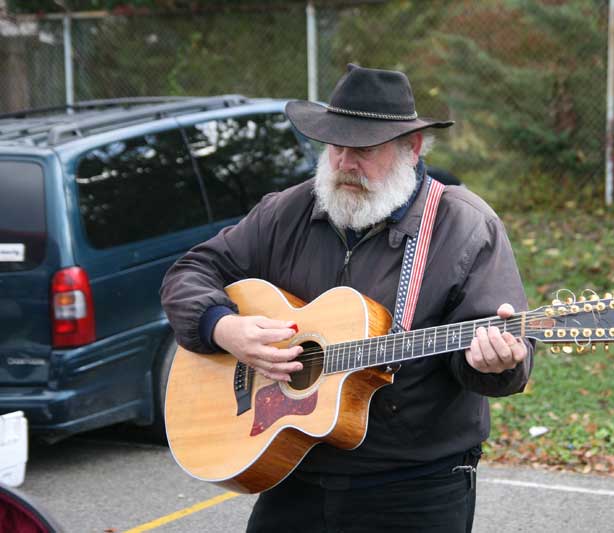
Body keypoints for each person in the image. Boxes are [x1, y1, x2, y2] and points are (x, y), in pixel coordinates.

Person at [160, 63, 533, 533]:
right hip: (296, 471)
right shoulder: (287, 212)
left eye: (363, 149)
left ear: (411, 148)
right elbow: (189, 272)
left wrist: (496, 363)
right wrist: (222, 326)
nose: (343, 163)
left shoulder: (463, 227)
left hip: (416, 484)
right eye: (335, 146)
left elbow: (499, 361)